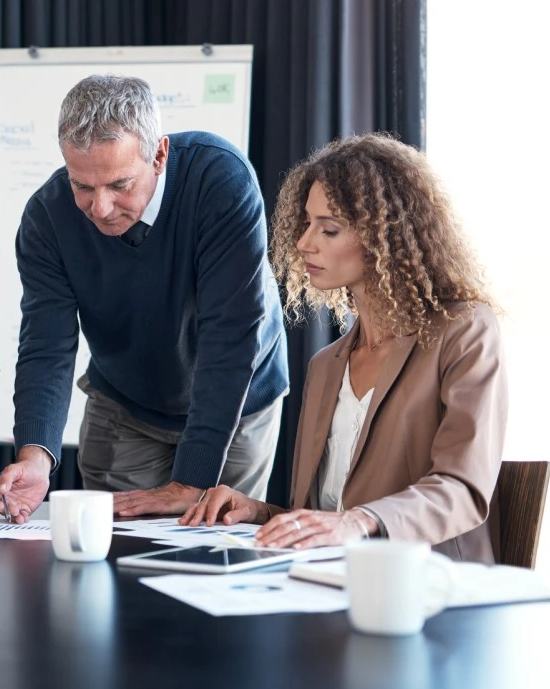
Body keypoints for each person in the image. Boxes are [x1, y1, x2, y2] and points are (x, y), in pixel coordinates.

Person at [181, 133, 507, 560]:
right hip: (331, 584)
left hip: (431, 587)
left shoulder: (464, 331)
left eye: (328, 229)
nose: (304, 242)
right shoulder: (326, 365)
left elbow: (462, 488)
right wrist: (257, 512)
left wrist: (357, 521)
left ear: (385, 235)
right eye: (307, 223)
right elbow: (323, 516)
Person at [0, 74, 288, 523]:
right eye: (82, 187)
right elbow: (46, 346)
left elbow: (231, 337)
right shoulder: (47, 217)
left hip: (236, 402)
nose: (100, 208)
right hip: (124, 404)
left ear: (160, 155)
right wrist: (35, 456)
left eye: (120, 185)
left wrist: (192, 480)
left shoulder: (220, 181)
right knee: (115, 557)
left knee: (215, 553)